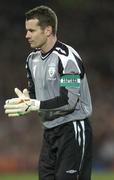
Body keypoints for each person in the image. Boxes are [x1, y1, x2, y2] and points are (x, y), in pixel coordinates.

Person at [4, 5, 93, 180]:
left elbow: (69, 101)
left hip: (72, 130)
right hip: (49, 132)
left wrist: (36, 104)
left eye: (31, 30)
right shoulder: (31, 60)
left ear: (47, 30)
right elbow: (36, 96)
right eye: (26, 30)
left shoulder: (67, 58)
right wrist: (27, 101)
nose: (26, 35)